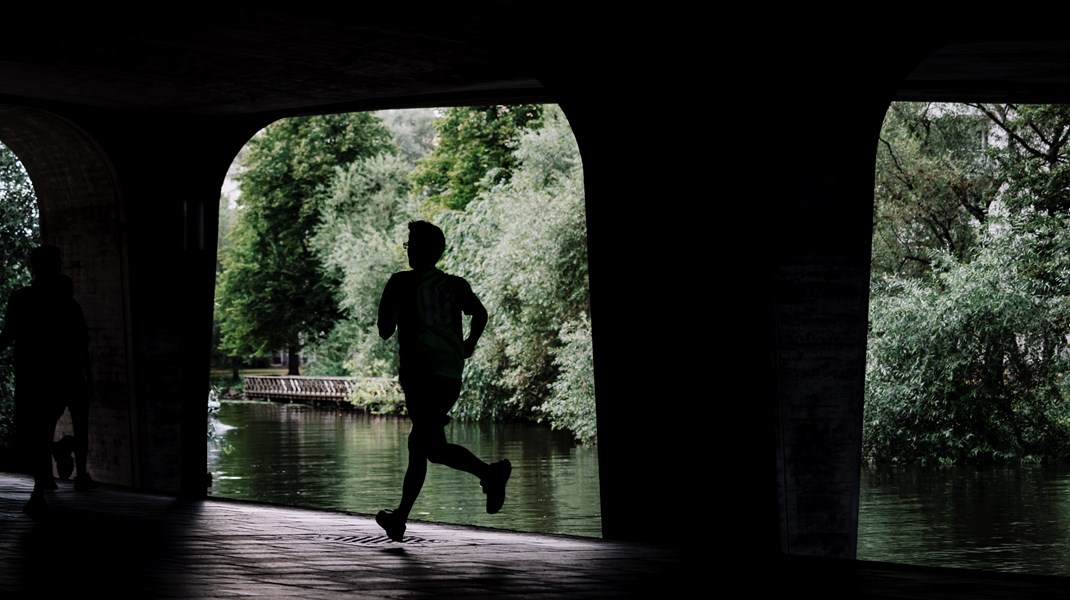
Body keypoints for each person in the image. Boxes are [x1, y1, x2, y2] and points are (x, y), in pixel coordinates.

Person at [374, 220, 511, 542]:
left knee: (428, 448)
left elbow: (384, 330)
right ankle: (399, 519)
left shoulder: (400, 283)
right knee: (420, 445)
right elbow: (480, 313)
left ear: (419, 250)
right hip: (450, 374)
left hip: (420, 373)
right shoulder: (455, 284)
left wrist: (392, 313)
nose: (408, 251)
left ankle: (490, 473)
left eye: (410, 245)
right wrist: (469, 344)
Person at [0, 244, 96, 516]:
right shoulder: (68, 301)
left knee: (38, 431)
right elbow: (81, 341)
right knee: (79, 424)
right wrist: (88, 374)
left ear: (33, 266)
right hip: (69, 374)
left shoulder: (21, 299)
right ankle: (80, 476)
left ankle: (41, 488)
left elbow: (9, 334)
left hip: (35, 376)